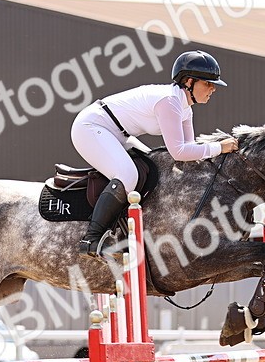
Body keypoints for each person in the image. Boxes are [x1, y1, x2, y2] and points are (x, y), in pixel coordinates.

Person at [72, 50, 239, 257]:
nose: (213, 89)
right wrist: (219, 147)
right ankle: (92, 239)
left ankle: (124, 230)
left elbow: (190, 150)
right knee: (128, 175)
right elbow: (179, 151)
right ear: (189, 82)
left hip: (117, 132)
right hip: (91, 126)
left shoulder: (185, 108)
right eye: (207, 83)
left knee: (154, 166)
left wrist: (217, 154)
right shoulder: (169, 102)